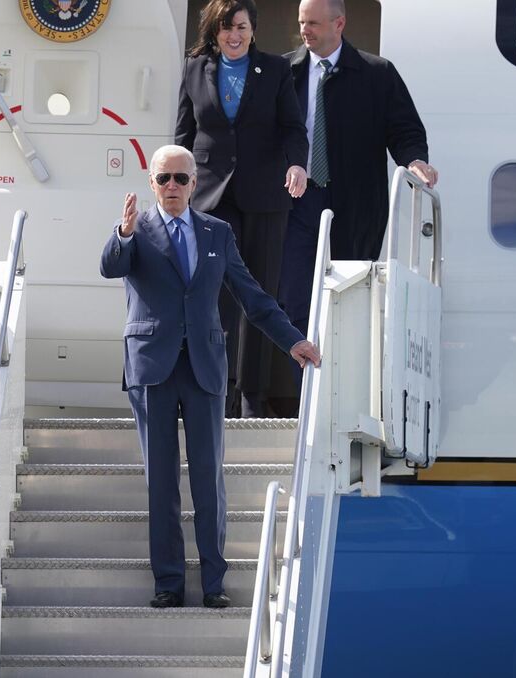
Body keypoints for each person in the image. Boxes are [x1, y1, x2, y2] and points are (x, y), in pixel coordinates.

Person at [100, 145, 320, 609]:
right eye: (164, 179)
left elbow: (252, 296)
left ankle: (214, 583)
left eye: (181, 179)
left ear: (195, 183)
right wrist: (122, 233)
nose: (173, 187)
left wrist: (292, 341)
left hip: (204, 366)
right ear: (152, 184)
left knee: (208, 478)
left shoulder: (217, 232)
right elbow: (110, 267)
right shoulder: (135, 230)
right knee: (160, 481)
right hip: (152, 368)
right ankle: (169, 583)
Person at [176, 0, 309, 418]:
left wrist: (296, 164)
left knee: (259, 295)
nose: (233, 35)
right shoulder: (194, 69)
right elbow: (183, 133)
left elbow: (292, 126)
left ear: (253, 30)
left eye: (241, 27)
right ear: (213, 31)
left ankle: (252, 395)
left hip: (265, 198)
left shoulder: (274, 70)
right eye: (225, 28)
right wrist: (174, 187)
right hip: (211, 196)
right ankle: (215, 390)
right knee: (214, 295)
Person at [280, 0, 439, 338]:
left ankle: (338, 387)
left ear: (339, 24)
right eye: (302, 23)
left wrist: (414, 161)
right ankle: (306, 385)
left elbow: (404, 130)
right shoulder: (283, 73)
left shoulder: (377, 74)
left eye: (313, 24)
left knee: (348, 296)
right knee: (293, 300)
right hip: (296, 202)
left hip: (355, 204)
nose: (305, 31)